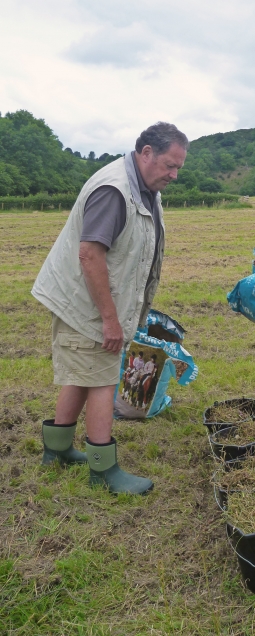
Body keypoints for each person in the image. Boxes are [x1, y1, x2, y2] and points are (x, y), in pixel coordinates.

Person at [32, 122, 189, 494]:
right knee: (102, 379)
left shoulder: (145, 189)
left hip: (92, 301)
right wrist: (110, 319)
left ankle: (57, 451)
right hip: (84, 304)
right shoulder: (115, 191)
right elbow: (89, 254)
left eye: (179, 167)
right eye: (169, 165)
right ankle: (103, 469)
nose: (174, 175)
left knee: (81, 372)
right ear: (146, 152)